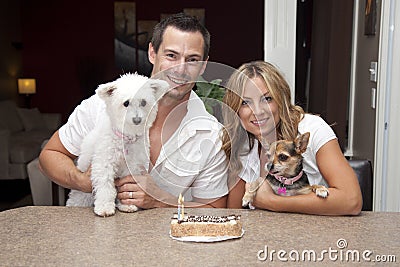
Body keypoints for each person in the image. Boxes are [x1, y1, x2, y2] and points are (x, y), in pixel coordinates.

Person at [39, 13, 228, 209]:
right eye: (171, 55)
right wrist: (84, 182)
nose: (180, 69)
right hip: (91, 233)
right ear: (152, 53)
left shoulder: (211, 133)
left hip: (164, 239)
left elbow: (215, 210)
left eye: (192, 60)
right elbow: (48, 156)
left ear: (204, 65)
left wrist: (159, 200)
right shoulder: (104, 104)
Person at [221, 61, 362, 215]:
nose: (258, 111)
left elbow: (351, 200)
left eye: (267, 99)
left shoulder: (312, 129)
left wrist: (271, 202)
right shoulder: (243, 145)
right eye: (245, 102)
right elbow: (233, 213)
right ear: (235, 109)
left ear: (281, 99)